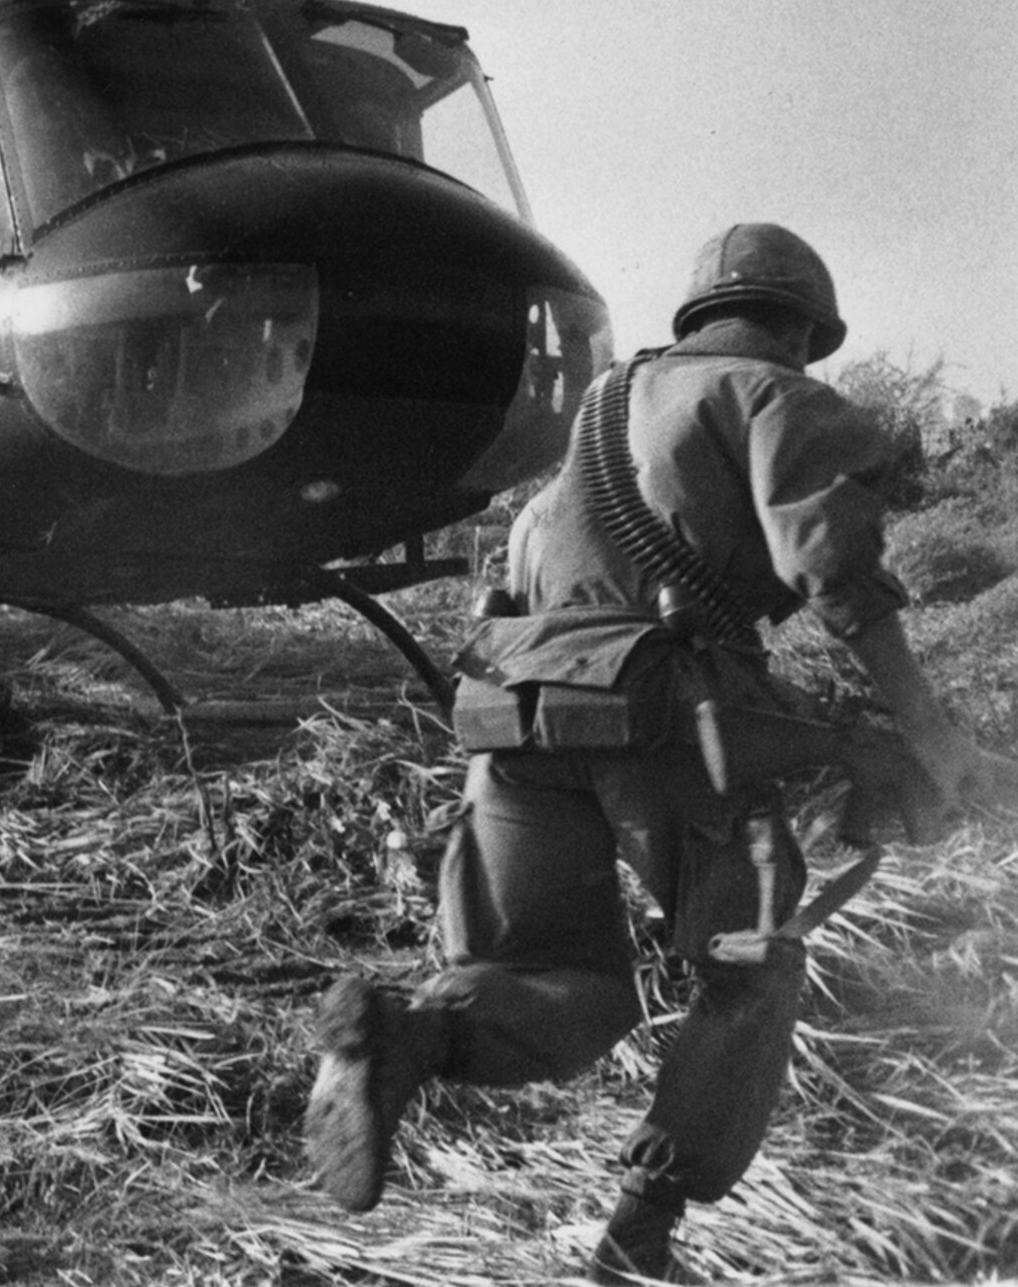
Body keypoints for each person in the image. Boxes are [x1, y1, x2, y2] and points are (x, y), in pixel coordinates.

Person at [305, 224, 1018, 1281]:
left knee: (558, 980)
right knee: (745, 973)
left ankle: (406, 1031)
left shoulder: (599, 416)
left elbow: (518, 578)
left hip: (511, 716)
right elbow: (837, 581)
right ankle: (639, 1234)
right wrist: (935, 735)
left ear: (694, 317)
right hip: (663, 718)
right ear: (798, 327)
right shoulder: (783, 400)